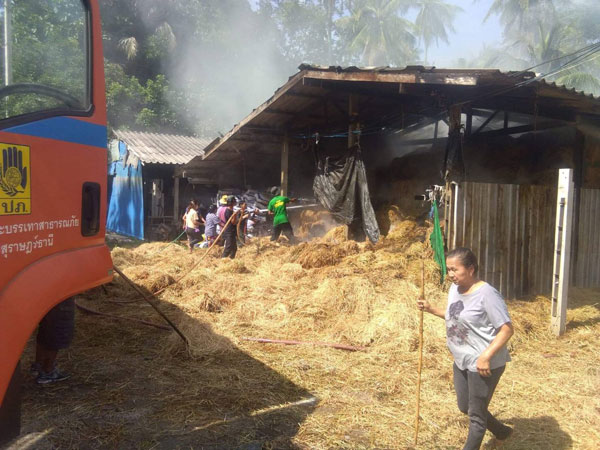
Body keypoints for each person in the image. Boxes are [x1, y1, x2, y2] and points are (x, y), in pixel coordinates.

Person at [417, 247, 514, 450]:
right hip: (461, 359)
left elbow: (506, 329)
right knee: (465, 406)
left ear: (470, 269)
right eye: (449, 270)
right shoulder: (455, 289)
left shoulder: (487, 294)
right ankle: (502, 431)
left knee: (476, 417)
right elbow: (454, 315)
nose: (451, 274)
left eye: (455, 270)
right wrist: (431, 308)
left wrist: (486, 356)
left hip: (483, 364)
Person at [31, 297, 75, 384]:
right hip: (61, 294)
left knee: (46, 324)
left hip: (47, 292)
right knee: (58, 325)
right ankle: (47, 371)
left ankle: (38, 365)